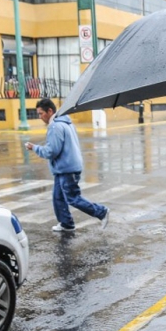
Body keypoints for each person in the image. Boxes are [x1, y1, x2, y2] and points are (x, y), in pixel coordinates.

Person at [25, 98, 109, 232]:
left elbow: (51, 151)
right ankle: (66, 223)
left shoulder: (55, 126)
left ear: (49, 111)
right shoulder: (66, 122)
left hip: (67, 168)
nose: (40, 117)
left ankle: (101, 212)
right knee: (57, 197)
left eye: (41, 113)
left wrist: (34, 148)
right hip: (65, 167)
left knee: (72, 198)